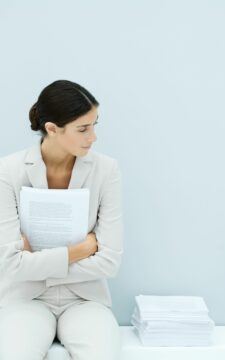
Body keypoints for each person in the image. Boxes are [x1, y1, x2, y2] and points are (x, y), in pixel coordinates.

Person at [0, 80, 123, 360]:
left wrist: (33, 264)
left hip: (85, 299)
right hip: (24, 298)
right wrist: (79, 251)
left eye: (94, 125)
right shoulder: (7, 171)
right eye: (83, 129)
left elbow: (110, 261)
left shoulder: (107, 170)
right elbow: (10, 264)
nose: (93, 137)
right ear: (52, 129)